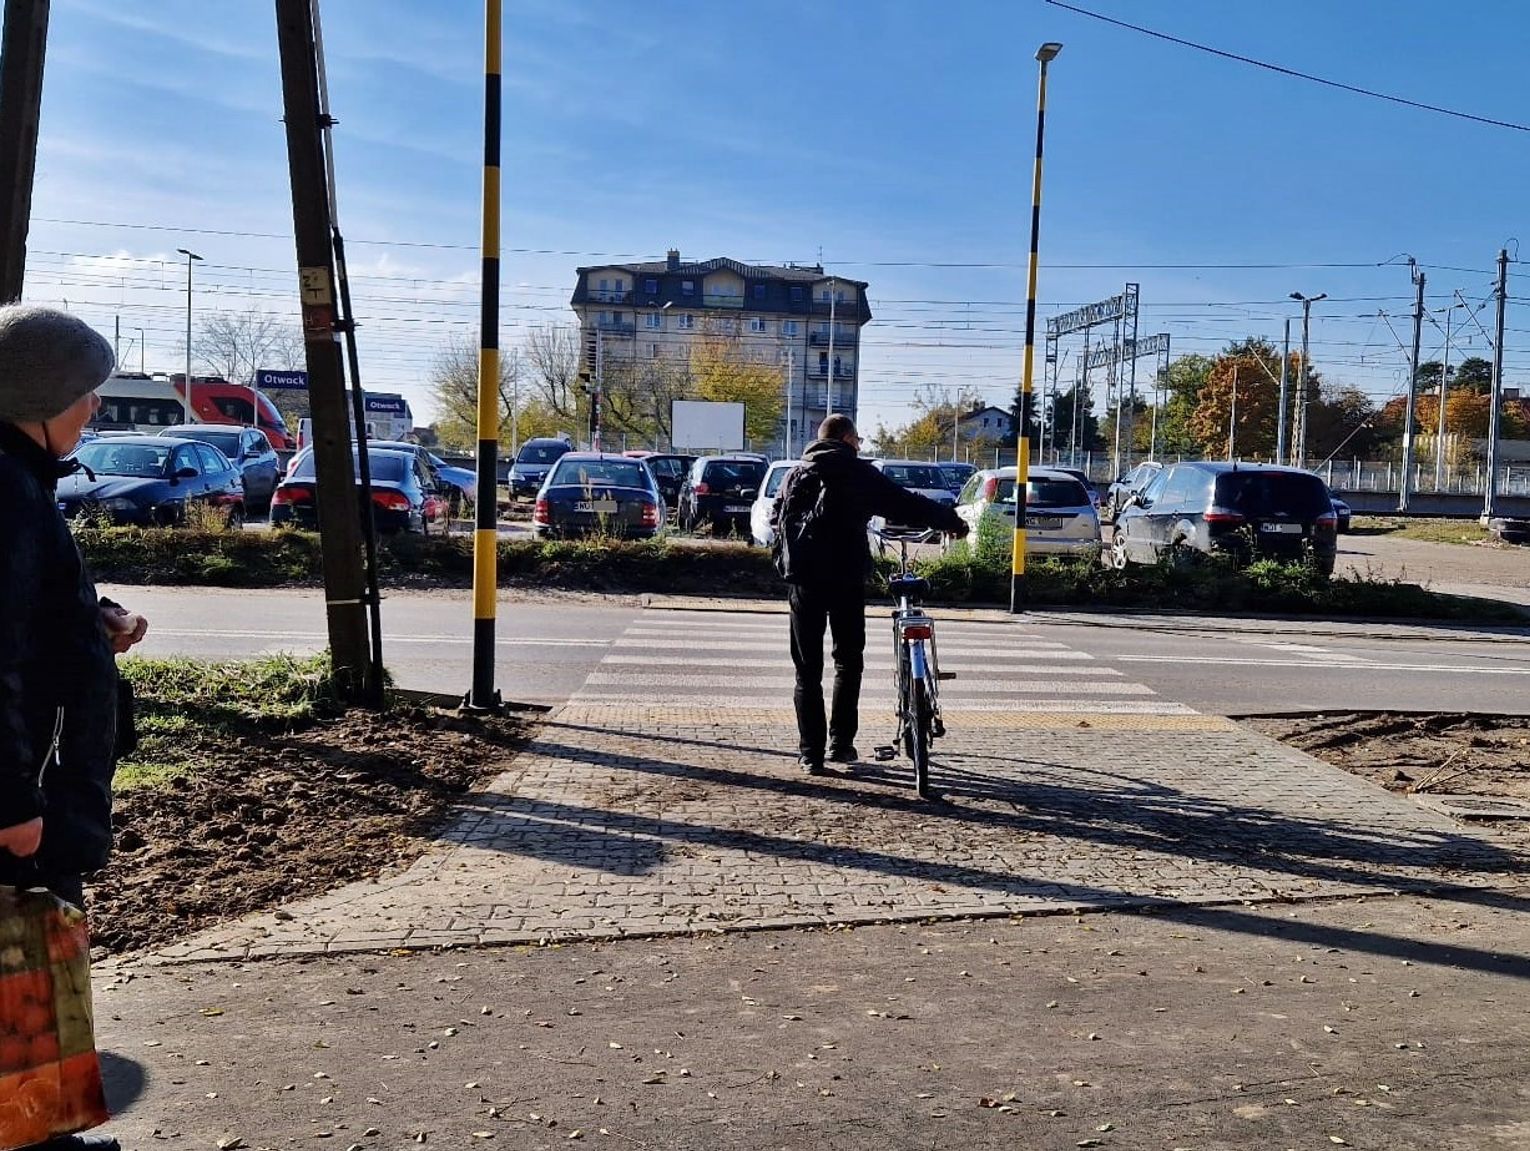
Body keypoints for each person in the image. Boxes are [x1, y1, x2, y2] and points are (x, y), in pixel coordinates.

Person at [0, 305, 148, 1151]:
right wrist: (11, 799)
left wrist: (91, 620)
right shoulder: (8, 496)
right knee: (23, 974)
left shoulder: (20, 484)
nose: (95, 408)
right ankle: (35, 1140)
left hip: (34, 791)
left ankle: (40, 1131)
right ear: (38, 396)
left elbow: (20, 617)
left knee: (35, 968)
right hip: (20, 806)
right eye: (85, 393)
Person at [771, 414, 967, 775]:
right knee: (848, 661)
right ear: (847, 439)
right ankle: (841, 744)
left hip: (804, 583)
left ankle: (810, 754)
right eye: (857, 439)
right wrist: (952, 522)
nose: (859, 445)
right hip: (846, 580)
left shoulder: (795, 474)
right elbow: (906, 503)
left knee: (807, 670)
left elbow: (776, 521)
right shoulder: (857, 473)